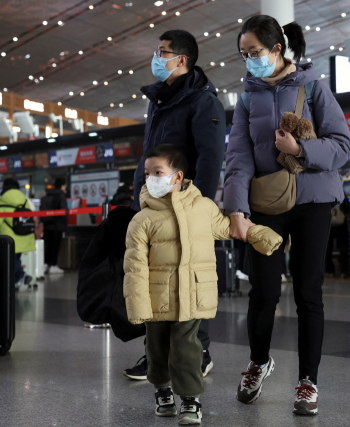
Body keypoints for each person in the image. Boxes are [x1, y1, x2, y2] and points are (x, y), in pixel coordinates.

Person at [223, 15, 350, 416]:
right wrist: (237, 209)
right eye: (244, 55)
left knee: (308, 293)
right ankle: (258, 362)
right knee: (262, 292)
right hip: (266, 203)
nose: (250, 61)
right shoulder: (246, 98)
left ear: (277, 49)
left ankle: (307, 381)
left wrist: (300, 150)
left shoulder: (314, 87)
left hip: (313, 201)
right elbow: (238, 157)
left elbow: (342, 146)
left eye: (256, 52)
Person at [123, 145, 281, 424]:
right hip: (155, 298)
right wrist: (137, 306)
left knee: (187, 348)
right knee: (156, 350)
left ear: (177, 176)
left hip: (192, 295)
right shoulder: (141, 220)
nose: (150, 179)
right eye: (147, 173)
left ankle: (190, 399)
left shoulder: (203, 208)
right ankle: (162, 390)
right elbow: (133, 268)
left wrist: (260, 234)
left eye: (158, 172)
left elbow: (229, 227)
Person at [125, 29, 226, 382]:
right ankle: (159, 356)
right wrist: (138, 191)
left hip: (185, 207)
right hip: (154, 205)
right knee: (160, 282)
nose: (157, 56)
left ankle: (200, 353)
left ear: (180, 59)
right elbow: (150, 152)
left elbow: (212, 158)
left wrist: (201, 208)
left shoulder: (202, 101)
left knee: (188, 279)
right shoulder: (160, 100)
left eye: (162, 51)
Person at [0, 178, 35, 287]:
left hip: (9, 237)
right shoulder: (24, 199)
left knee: (10, 260)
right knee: (15, 259)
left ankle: (21, 275)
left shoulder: (2, 199)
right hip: (24, 234)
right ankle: (15, 282)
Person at [40, 177, 68, 274]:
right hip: (57, 225)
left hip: (47, 225)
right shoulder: (61, 195)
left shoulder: (47, 195)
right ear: (62, 186)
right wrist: (65, 223)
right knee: (55, 246)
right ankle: (53, 265)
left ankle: (45, 265)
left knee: (48, 246)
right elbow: (63, 211)